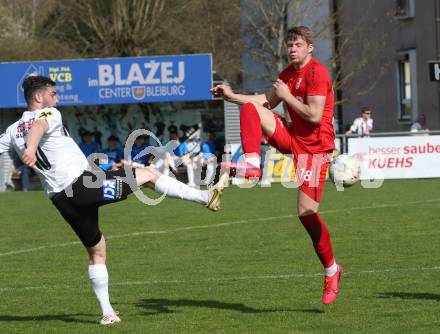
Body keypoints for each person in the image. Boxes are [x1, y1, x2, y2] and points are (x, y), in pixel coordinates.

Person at [0, 75, 226, 325]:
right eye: (53, 94)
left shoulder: (11, 131)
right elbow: (38, 128)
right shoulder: (49, 114)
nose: (57, 98)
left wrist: (28, 149)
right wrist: (31, 148)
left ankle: (107, 313)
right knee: (149, 174)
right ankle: (204, 197)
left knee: (97, 250)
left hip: (62, 200)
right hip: (82, 186)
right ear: (38, 97)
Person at [211, 26, 343, 305]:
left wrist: (285, 97)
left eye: (297, 44)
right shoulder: (287, 74)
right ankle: (251, 164)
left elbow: (315, 115)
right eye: (290, 45)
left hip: (315, 148)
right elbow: (264, 102)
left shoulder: (317, 73)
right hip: (292, 137)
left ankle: (332, 270)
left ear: (310, 48)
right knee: (249, 110)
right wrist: (232, 95)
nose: (292, 49)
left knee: (306, 214)